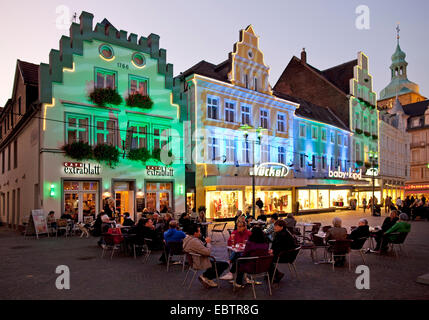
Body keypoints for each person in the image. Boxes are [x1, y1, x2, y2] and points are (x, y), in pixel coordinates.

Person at [269, 220, 299, 284]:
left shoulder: (282, 235)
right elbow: (276, 246)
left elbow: (280, 247)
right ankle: (273, 274)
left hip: (285, 255)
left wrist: (272, 252)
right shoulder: (284, 232)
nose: (274, 228)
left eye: (276, 226)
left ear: (281, 227)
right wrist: (272, 250)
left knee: (267, 259)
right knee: (268, 258)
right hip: (287, 254)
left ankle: (276, 274)